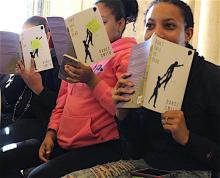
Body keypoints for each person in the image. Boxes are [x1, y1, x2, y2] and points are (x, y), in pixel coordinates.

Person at [27, 0, 138, 178]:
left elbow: (123, 112)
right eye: (90, 24)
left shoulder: (126, 55)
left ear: (120, 24)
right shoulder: (79, 51)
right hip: (65, 139)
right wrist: (51, 132)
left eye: (102, 22)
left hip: (98, 144)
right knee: (8, 158)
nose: (95, 30)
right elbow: (63, 99)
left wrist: (91, 80)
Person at [112, 0, 220, 177]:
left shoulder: (211, 77)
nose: (156, 34)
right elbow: (135, 151)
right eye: (150, 26)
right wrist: (122, 115)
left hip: (197, 168)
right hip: (147, 167)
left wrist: (187, 138)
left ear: (188, 34)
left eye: (169, 26)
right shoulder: (140, 76)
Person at [0, 16, 61, 178]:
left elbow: (57, 106)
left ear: (46, 36)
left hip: (40, 122)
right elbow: (9, 98)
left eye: (31, 36)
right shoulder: (22, 64)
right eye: (22, 38)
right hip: (15, 117)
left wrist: (37, 86)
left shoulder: (56, 64)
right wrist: (19, 75)